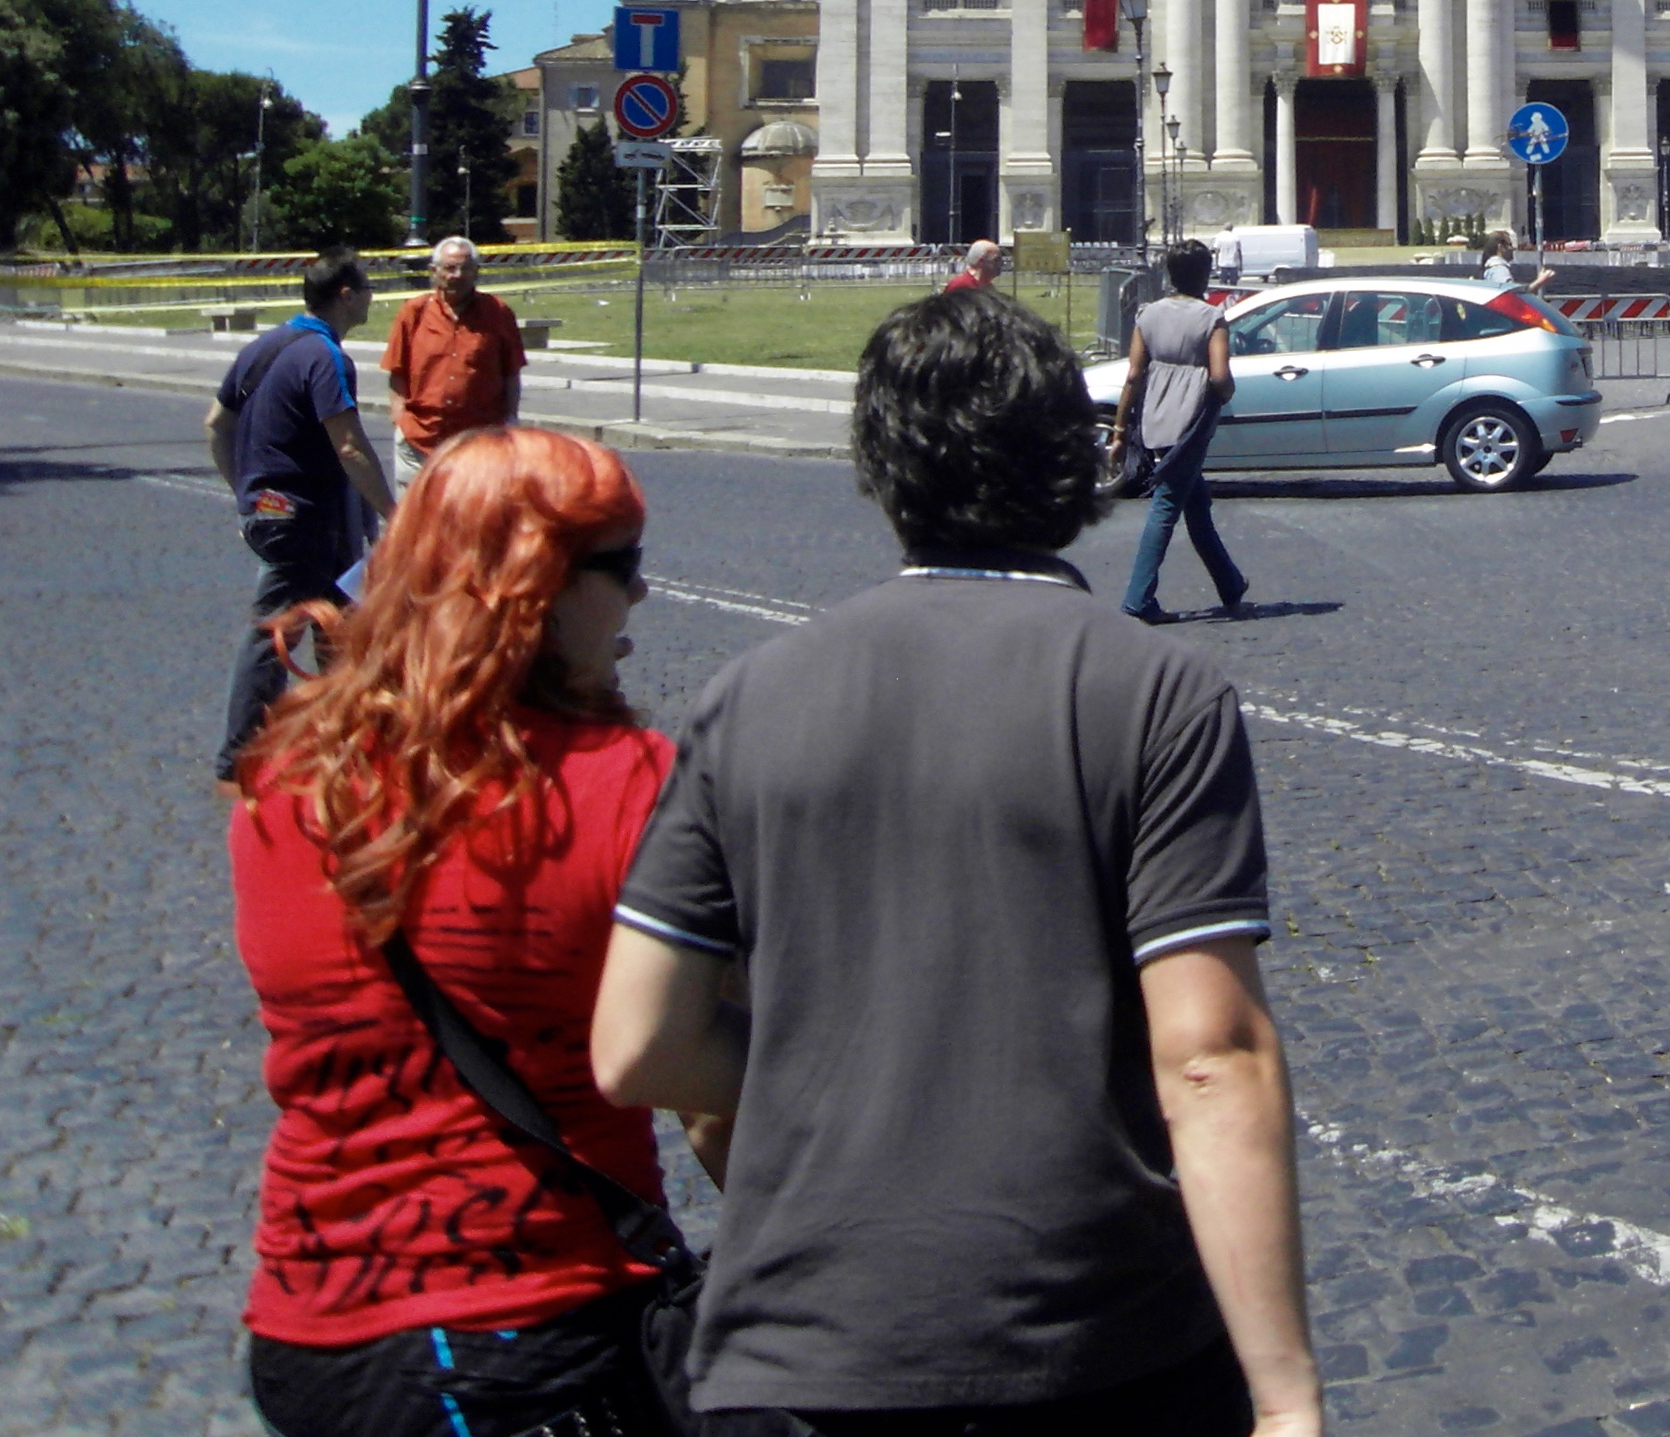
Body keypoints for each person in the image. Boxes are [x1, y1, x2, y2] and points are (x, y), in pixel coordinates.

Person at [594, 289, 1318, 1433]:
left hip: (797, 1352)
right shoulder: (1156, 690)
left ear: (880, 470)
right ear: (1071, 461)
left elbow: (639, 1044)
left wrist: (833, 1077)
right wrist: (1284, 1395)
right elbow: (1211, 1056)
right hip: (1091, 1336)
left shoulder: (745, 697)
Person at [230, 428, 708, 1437]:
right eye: (622, 564)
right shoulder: (629, 784)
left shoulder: (285, 776)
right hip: (526, 1329)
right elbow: (703, 1088)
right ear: (538, 589)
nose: (641, 591)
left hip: (307, 1325)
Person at [205, 251, 397, 782]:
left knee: (343, 629)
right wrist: (393, 512)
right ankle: (239, 755)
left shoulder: (264, 346)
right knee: (276, 631)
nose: (372, 297)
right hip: (306, 516)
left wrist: (247, 495)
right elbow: (350, 445)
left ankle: (352, 741)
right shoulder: (325, 357)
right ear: (346, 295)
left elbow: (216, 424)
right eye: (367, 288)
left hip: (283, 513)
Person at [1113, 241, 1252, 620]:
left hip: (1156, 414)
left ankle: (1229, 582)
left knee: (1196, 502)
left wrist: (1120, 430)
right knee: (1166, 505)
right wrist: (1225, 394)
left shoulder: (1148, 314)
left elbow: (1133, 374)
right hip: (1191, 419)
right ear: (1205, 274)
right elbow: (1220, 376)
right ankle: (1138, 598)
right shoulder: (1211, 318)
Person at [381, 235, 525, 486]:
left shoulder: (498, 313)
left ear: (477, 272)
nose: (457, 275)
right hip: (419, 442)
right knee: (418, 512)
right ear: (433, 271)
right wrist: (400, 421)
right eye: (449, 268)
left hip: (478, 445)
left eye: (465, 268)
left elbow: (511, 373)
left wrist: (511, 419)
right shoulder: (413, 312)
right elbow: (396, 372)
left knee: (474, 511)